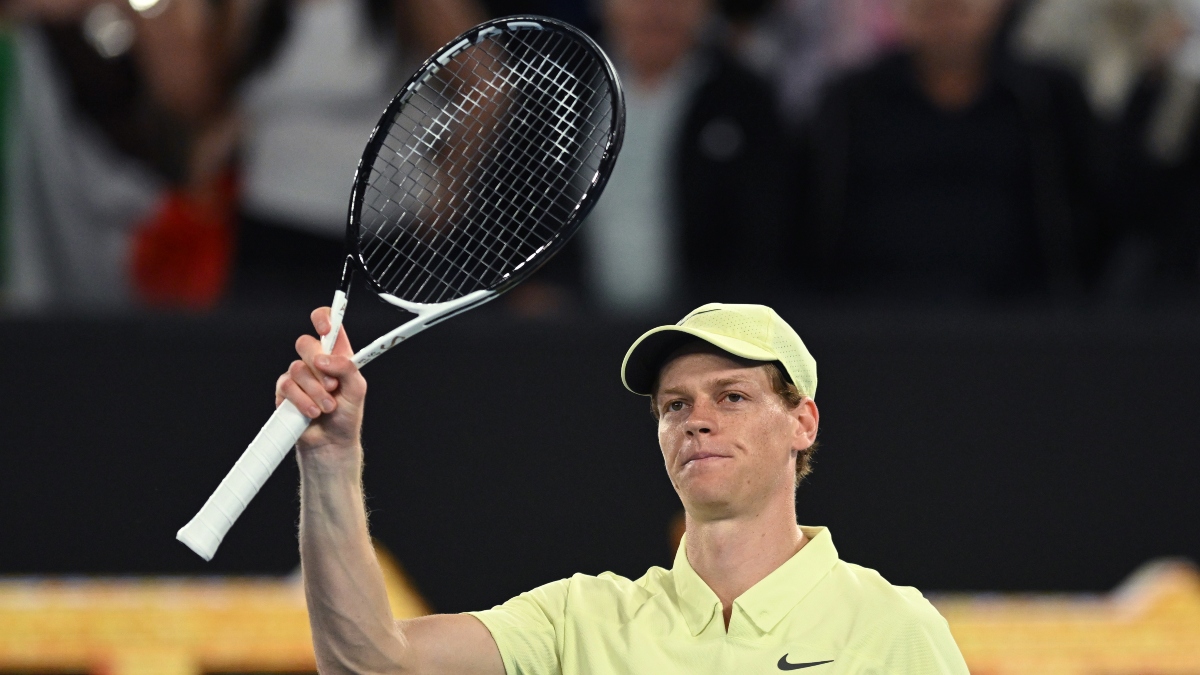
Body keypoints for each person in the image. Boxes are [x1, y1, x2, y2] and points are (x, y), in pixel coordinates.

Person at [277, 301, 969, 673]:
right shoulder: (579, 619)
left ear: (802, 422)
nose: (696, 419)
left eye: (731, 396)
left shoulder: (895, 629)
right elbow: (370, 662)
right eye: (675, 405)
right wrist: (331, 460)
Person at [799, 0, 1100, 303]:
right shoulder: (850, 102)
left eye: (962, 7)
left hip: (1022, 312)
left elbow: (1089, 212)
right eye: (929, 8)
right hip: (869, 311)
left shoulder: (1045, 100)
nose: (946, 15)